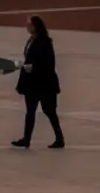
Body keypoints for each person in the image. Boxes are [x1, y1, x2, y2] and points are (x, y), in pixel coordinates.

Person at [11, 14, 63, 148]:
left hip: (45, 82)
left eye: (29, 25)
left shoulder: (45, 42)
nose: (26, 27)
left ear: (35, 26)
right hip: (31, 82)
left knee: (49, 111)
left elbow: (49, 63)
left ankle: (59, 138)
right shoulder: (31, 40)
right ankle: (26, 139)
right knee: (30, 110)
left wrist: (34, 67)